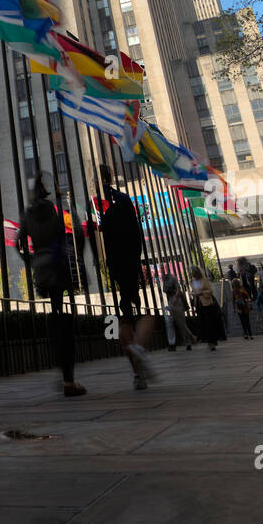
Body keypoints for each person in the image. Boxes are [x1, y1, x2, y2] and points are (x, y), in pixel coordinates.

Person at [18, 172, 86, 397]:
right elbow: (77, 231)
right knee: (64, 318)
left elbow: (18, 242)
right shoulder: (58, 208)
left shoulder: (28, 214)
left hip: (41, 267)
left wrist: (31, 261)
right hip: (58, 265)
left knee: (56, 315)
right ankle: (69, 379)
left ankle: (62, 365)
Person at [100, 166, 155, 389]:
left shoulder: (107, 215)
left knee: (124, 316)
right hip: (129, 262)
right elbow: (137, 238)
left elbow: (105, 245)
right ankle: (138, 348)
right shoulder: (126, 206)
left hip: (116, 267)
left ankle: (137, 375)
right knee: (145, 314)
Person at [189, 265, 224, 350]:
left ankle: (212, 342)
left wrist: (201, 293)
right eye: (192, 273)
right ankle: (207, 340)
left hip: (207, 304)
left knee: (209, 323)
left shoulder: (204, 280)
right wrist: (193, 294)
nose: (193, 275)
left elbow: (210, 291)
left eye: (194, 273)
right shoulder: (192, 282)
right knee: (203, 322)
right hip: (198, 304)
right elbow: (193, 291)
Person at [163, 271, 195, 350]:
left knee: (181, 322)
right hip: (171, 301)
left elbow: (178, 289)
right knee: (176, 322)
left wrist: (175, 298)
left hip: (176, 301)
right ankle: (189, 339)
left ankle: (189, 340)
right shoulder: (165, 280)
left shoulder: (172, 278)